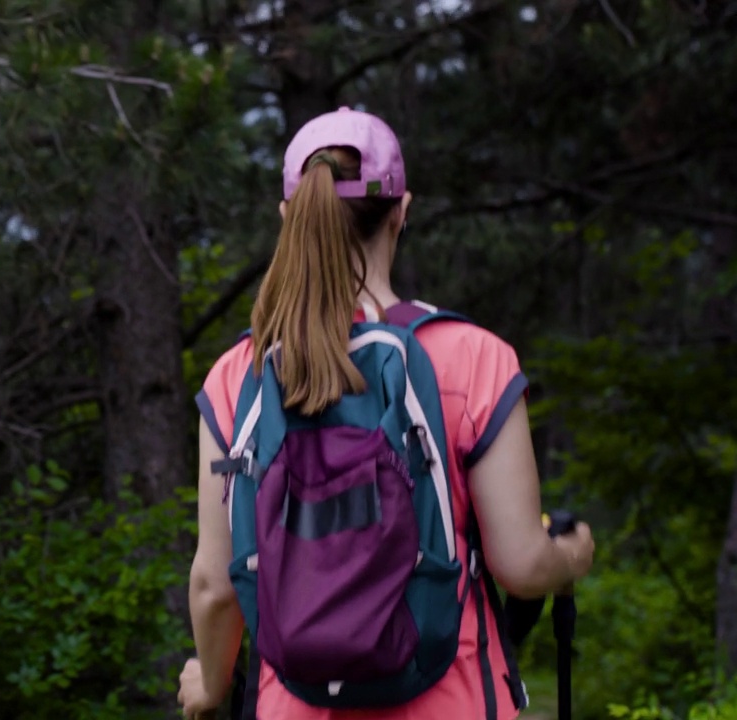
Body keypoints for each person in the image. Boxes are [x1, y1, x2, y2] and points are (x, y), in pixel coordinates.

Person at [177, 107, 596, 719]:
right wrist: (571, 556)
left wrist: (211, 687)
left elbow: (216, 585)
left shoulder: (238, 375)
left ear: (289, 215)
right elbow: (522, 565)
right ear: (402, 211)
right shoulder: (474, 358)